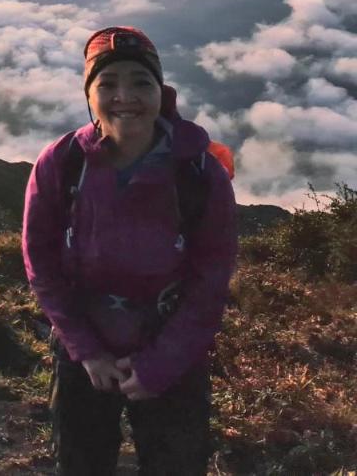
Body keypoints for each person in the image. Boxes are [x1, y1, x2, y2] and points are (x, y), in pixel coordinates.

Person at [22, 26, 238, 475]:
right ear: (90, 93)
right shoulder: (62, 163)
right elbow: (40, 261)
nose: (126, 95)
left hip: (174, 359)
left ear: (162, 92)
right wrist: (86, 350)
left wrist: (161, 363)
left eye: (142, 82)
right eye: (108, 83)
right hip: (86, 356)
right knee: (81, 464)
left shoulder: (198, 174)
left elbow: (211, 279)